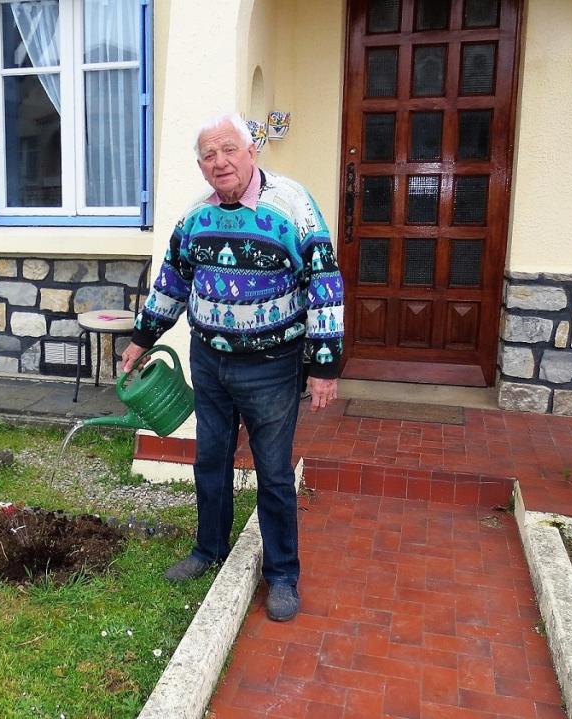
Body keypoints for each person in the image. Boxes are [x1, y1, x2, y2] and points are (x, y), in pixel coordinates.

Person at [120, 112, 344, 622]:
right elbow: (172, 282)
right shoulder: (195, 216)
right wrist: (141, 339)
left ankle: (283, 574)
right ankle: (208, 549)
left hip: (271, 366)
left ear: (252, 153)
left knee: (273, 473)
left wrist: (324, 364)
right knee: (210, 461)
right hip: (210, 361)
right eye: (208, 155)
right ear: (200, 167)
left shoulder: (291, 208)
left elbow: (324, 285)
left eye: (229, 150)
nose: (220, 162)